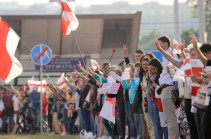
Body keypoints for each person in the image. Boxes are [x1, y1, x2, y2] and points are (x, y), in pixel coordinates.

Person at [153, 36, 180, 139]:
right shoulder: (166, 55)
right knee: (168, 118)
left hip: (168, 88)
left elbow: (175, 69)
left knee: (170, 118)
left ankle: (173, 137)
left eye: (159, 43)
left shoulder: (170, 55)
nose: (157, 45)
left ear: (165, 44)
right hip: (165, 89)